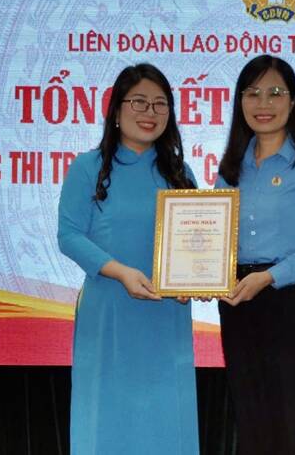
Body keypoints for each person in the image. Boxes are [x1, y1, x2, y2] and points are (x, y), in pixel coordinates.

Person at [58, 63, 199, 455]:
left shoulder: (180, 174)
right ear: (117, 110)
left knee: (165, 418)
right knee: (107, 417)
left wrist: (195, 282)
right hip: (109, 311)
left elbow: (197, 244)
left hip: (165, 313)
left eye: (160, 104)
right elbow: (68, 236)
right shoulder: (86, 168)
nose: (149, 113)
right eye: (138, 102)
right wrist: (120, 272)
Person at [215, 55, 295, 455]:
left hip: (293, 302)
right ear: (240, 103)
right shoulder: (231, 168)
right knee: (252, 419)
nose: (263, 103)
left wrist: (270, 277)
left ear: (293, 102)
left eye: (275, 93)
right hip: (239, 300)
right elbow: (217, 238)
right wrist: (202, 275)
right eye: (252, 93)